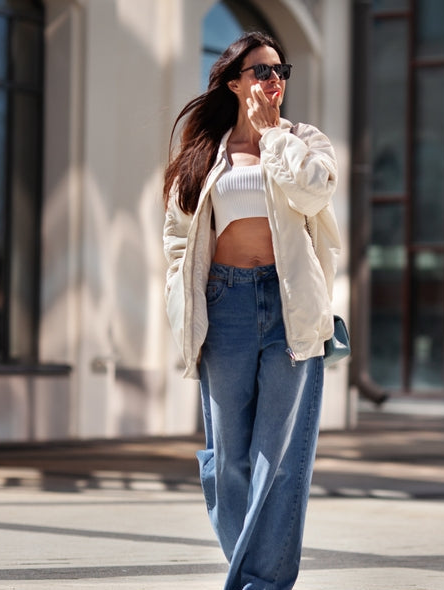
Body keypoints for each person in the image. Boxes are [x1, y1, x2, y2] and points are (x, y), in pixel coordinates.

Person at [162, 31, 341, 590]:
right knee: (228, 461)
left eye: (281, 71)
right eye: (262, 71)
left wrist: (272, 137)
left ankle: (261, 584)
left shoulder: (304, 141)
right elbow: (177, 239)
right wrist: (181, 301)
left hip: (290, 306)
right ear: (234, 83)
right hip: (226, 305)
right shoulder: (203, 155)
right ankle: (255, 574)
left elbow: (313, 193)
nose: (274, 80)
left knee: (280, 460)